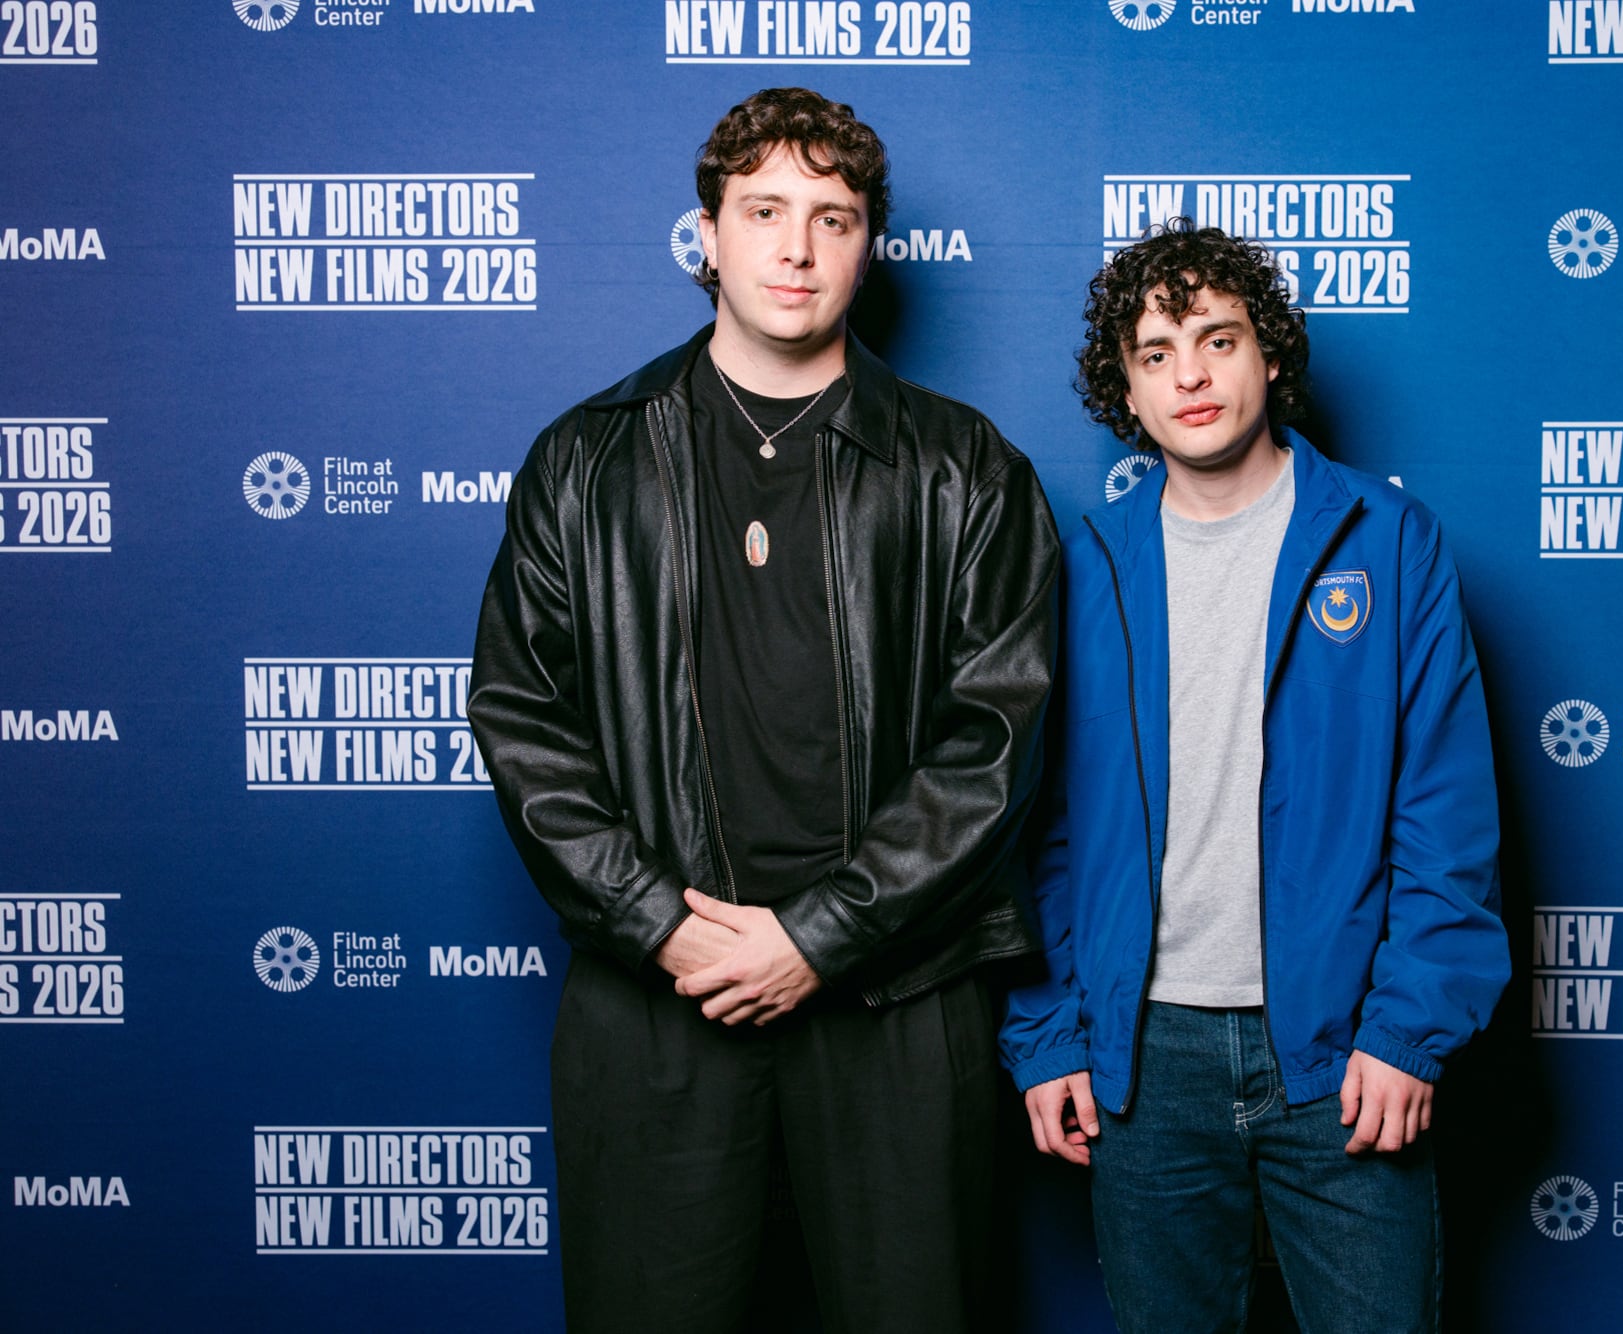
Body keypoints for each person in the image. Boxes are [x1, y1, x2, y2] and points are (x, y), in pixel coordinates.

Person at [469, 87, 1058, 1334]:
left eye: (831, 217)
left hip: (893, 1003)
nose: (796, 247)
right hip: (657, 1005)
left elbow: (992, 744)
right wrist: (657, 925)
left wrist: (821, 935)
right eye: (765, 211)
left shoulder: (965, 467)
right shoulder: (585, 459)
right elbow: (525, 722)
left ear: (867, 244)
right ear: (708, 235)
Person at [998, 220, 1509, 1333]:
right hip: (1144, 1058)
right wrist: (1047, 1035)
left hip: (1338, 1048)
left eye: (1216, 339)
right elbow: (1042, 830)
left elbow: (1442, 814)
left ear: (1268, 354)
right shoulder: (1086, 565)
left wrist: (1404, 1028)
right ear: (1123, 391)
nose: (1188, 373)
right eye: (1153, 353)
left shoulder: (1388, 541)